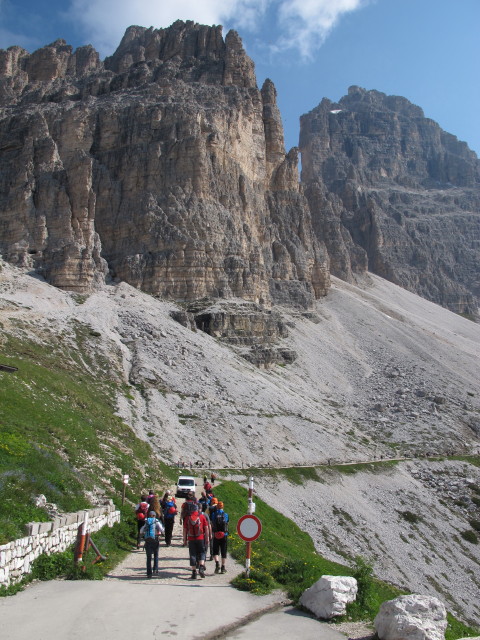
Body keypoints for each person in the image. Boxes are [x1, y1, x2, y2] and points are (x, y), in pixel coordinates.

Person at [183, 507, 210, 579]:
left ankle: (194, 572)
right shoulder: (202, 516)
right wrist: (207, 539)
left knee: (192, 554)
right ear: (197, 510)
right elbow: (206, 528)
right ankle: (201, 567)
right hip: (200, 538)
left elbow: (185, 530)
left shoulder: (187, 518)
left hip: (191, 539)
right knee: (202, 552)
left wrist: (184, 540)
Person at [140, 510, 165, 577]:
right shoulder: (156, 521)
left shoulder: (147, 521)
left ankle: (149, 573)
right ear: (155, 516)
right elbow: (161, 529)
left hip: (147, 540)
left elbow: (141, 530)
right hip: (155, 539)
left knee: (148, 557)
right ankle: (155, 569)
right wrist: (162, 533)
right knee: (156, 555)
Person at [211, 501, 229, 574]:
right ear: (222, 507)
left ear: (217, 507)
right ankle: (223, 567)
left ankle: (217, 563)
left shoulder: (213, 514)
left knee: (216, 551)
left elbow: (212, 523)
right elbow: (227, 522)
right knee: (223, 551)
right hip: (224, 535)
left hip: (216, 535)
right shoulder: (225, 515)